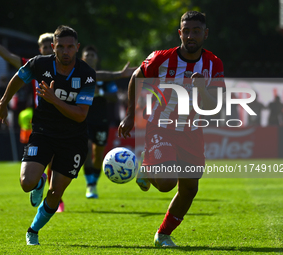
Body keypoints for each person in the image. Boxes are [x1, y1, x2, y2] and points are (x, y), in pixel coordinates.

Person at [118, 11, 225, 248]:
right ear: (180, 33)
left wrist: (201, 89)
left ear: (205, 34)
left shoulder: (213, 63)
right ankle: (147, 165)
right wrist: (129, 115)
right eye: (186, 31)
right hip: (161, 126)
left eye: (196, 31)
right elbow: (136, 77)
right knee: (166, 182)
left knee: (190, 188)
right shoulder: (161, 59)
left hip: (191, 131)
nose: (190, 36)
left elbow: (215, 105)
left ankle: (163, 235)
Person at [0, 25, 96, 245]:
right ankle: (39, 180)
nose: (65, 51)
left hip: (73, 140)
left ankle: (33, 230)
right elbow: (18, 76)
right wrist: (4, 102)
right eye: (60, 47)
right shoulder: (39, 63)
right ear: (53, 47)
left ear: (77, 48)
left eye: (70, 47)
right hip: (43, 132)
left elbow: (80, 115)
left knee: (55, 194)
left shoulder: (87, 75)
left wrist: (54, 99)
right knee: (26, 182)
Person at [0, 24, 64, 212]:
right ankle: (42, 184)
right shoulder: (35, 65)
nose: (49, 49)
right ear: (41, 49)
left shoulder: (66, 65)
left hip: (64, 117)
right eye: (45, 47)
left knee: (56, 160)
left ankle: (55, 196)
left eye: (51, 46)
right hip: (41, 121)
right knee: (49, 157)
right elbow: (7, 56)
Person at [81, 45, 136, 198]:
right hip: (83, 120)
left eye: (92, 55)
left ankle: (94, 182)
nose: (90, 58)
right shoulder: (78, 76)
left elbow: (114, 97)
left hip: (101, 120)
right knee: (85, 150)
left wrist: (100, 93)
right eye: (87, 55)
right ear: (83, 58)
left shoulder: (105, 79)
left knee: (98, 154)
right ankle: (89, 184)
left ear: (96, 59)